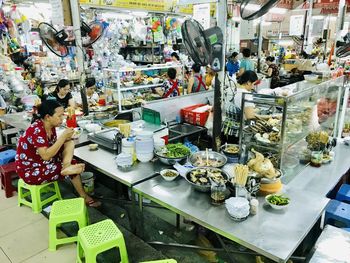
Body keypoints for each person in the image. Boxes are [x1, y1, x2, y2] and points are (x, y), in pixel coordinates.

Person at [15, 100, 101, 207]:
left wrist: (66, 138)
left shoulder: (50, 127)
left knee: (69, 143)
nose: (63, 119)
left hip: (42, 161)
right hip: (31, 170)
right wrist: (63, 137)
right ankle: (83, 195)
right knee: (73, 164)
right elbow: (46, 156)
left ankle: (66, 167)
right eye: (59, 116)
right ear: (48, 117)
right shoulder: (37, 130)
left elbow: (52, 148)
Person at [222, 70, 258, 143]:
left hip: (224, 129)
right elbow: (250, 116)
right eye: (253, 84)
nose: (253, 87)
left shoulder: (229, 89)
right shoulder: (246, 95)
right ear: (248, 82)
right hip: (237, 133)